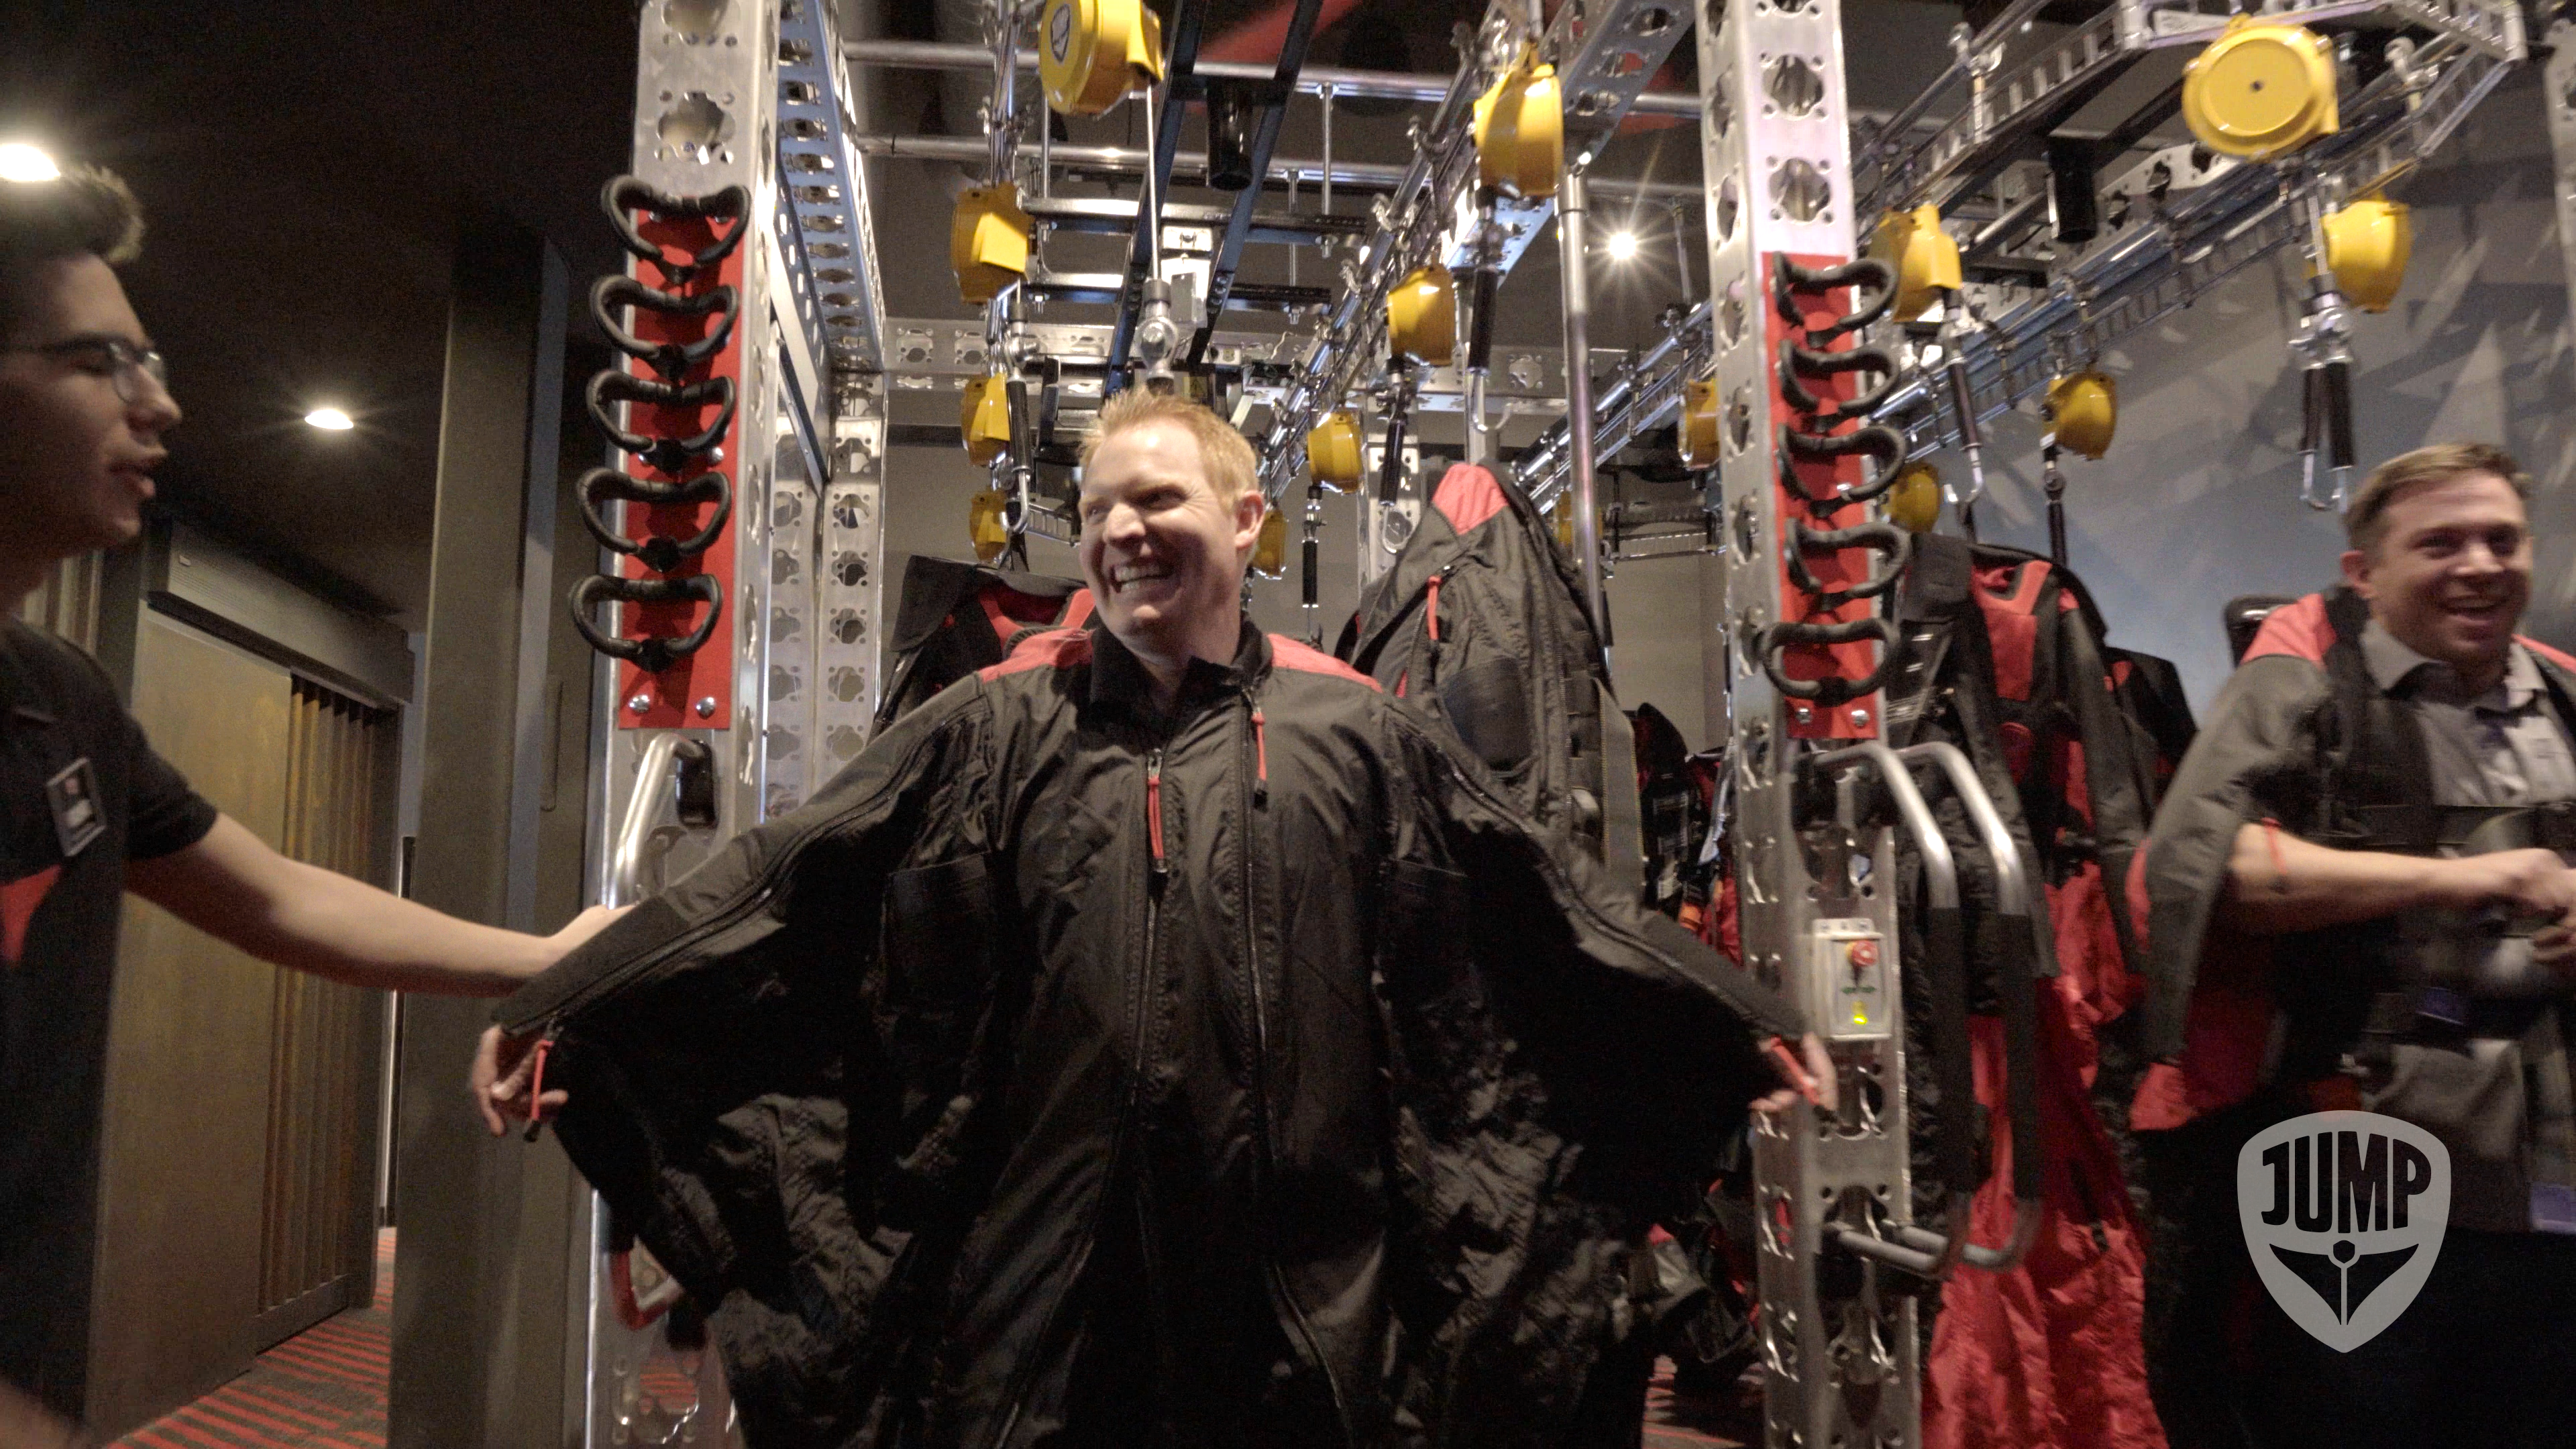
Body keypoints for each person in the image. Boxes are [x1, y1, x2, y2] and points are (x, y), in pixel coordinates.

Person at [476, 386, 1825, 1448]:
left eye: (1160, 498)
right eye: (1103, 505)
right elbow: (784, 881)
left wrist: (1730, 1024)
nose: (1125, 529)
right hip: (1046, 1281)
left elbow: (1537, 911)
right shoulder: (992, 726)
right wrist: (576, 1008)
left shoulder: (1357, 737)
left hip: (1300, 1280)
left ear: (1246, 522)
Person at [0, 161, 613, 1444]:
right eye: (99, 362)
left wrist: (546, 959)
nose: (160, 402)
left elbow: (277, 897)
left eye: (151, 357)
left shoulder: (63, 700)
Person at [2127, 442, 2576, 1449]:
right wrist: (2465, 877)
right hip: (2358, 1158)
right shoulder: (2310, 696)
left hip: (2553, 1177)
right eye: (2441, 542)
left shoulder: (2562, 695)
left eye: (2502, 539)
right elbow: (2209, 869)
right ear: (2364, 574)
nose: (2480, 563)